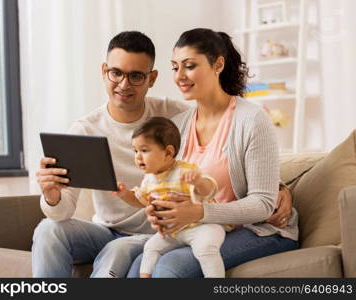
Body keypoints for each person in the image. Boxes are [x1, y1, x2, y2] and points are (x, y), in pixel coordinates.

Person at [33, 30, 293, 278]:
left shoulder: (171, 118)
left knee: (137, 257)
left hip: (175, 229)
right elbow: (62, 210)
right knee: (49, 230)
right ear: (104, 72)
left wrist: (278, 188)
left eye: (136, 76)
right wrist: (51, 196)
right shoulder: (90, 129)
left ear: (151, 79)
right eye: (116, 73)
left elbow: (248, 174)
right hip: (132, 229)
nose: (124, 84)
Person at [127, 28, 299, 278]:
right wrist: (160, 211)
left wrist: (200, 212)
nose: (180, 76)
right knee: (138, 266)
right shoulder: (177, 125)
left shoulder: (252, 119)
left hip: (260, 230)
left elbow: (263, 203)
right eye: (175, 67)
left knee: (171, 267)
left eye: (189, 66)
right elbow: (167, 182)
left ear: (218, 64)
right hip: (199, 227)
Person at [113, 116, 227, 278]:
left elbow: (209, 191)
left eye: (144, 150)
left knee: (206, 249)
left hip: (202, 227)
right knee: (151, 247)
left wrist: (199, 181)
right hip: (174, 232)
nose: (138, 157)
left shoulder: (185, 171)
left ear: (168, 152)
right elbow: (140, 201)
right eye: (135, 151)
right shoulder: (149, 179)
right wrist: (124, 194)